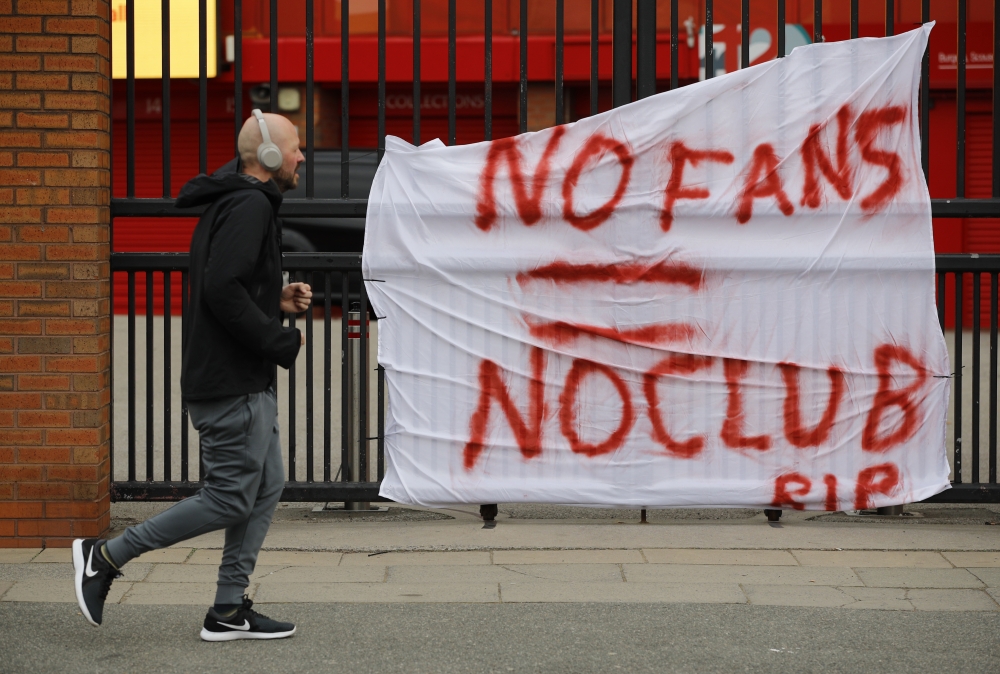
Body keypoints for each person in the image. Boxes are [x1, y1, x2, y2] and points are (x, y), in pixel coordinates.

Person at [72, 111, 313, 641]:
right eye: (296, 147)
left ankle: (228, 610)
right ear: (270, 157)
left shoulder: (237, 203)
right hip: (232, 386)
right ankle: (106, 556)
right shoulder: (249, 205)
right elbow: (221, 290)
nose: (302, 156)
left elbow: (228, 282)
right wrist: (279, 339)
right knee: (228, 497)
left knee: (266, 486)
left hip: (242, 382)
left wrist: (275, 298)